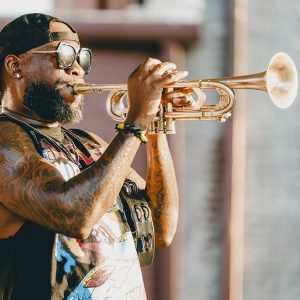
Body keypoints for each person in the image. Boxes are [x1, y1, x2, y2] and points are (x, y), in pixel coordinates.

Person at [0, 13, 192, 300]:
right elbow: (75, 216)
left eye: (83, 58)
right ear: (16, 66)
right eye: (64, 56)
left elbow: (159, 229)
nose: (78, 69)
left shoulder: (92, 145)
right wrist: (136, 121)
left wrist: (154, 126)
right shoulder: (6, 142)